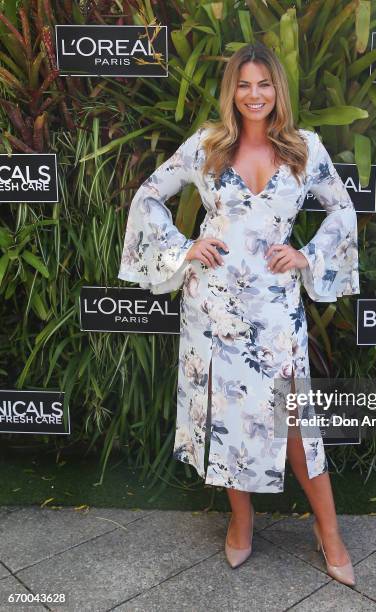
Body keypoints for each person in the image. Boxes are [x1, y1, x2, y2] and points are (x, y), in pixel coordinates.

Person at [117, 42, 360, 586]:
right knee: (229, 421)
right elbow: (150, 195)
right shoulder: (208, 146)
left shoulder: (304, 148)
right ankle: (241, 521)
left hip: (275, 310)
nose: (255, 95)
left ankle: (330, 531)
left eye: (264, 84)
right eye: (244, 85)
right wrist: (184, 250)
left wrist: (307, 255)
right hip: (214, 310)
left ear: (279, 90)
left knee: (294, 423)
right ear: (233, 91)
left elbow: (341, 210)